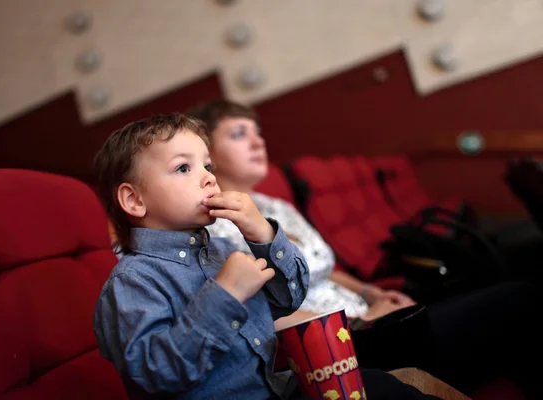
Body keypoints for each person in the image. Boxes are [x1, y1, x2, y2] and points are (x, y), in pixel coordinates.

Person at [188, 99, 542, 398]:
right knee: (519, 300)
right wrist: (354, 325)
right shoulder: (214, 225)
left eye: (257, 132)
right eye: (239, 134)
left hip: (373, 319)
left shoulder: (274, 204)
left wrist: (374, 293)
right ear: (209, 154)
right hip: (343, 348)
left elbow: (324, 268)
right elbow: (257, 314)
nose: (257, 142)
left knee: (515, 305)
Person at [92, 113, 443, 400]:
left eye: (208, 167)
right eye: (184, 168)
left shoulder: (222, 251)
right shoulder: (132, 281)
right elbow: (156, 374)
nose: (208, 180)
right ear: (134, 200)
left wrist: (263, 236)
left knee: (386, 387)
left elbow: (290, 297)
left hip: (278, 388)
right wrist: (225, 297)